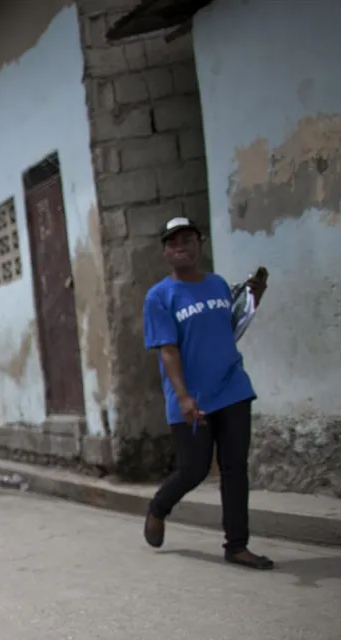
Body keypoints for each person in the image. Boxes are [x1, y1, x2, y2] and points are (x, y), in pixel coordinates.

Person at [142, 217, 273, 570]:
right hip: (191, 398)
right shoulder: (159, 297)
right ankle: (159, 507)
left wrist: (252, 299)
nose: (180, 246)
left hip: (232, 388)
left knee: (234, 468)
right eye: (172, 242)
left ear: (201, 242)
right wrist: (184, 397)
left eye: (187, 239)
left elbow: (229, 328)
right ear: (165, 252)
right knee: (194, 469)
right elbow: (168, 350)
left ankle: (237, 545)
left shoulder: (216, 284)